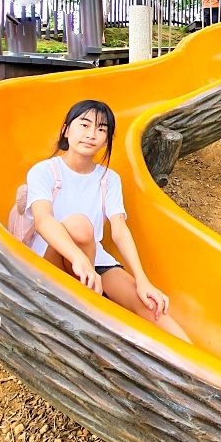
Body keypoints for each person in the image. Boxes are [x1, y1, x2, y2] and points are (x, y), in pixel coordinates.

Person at [26, 100, 190, 342]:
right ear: (66, 130)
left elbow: (120, 230)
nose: (91, 134)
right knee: (79, 225)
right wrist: (78, 259)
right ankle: (86, 314)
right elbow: (43, 220)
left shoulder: (108, 179)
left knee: (150, 304)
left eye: (101, 129)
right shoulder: (44, 171)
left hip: (95, 261)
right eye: (84, 125)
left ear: (107, 139)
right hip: (51, 260)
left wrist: (143, 281)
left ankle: (198, 368)